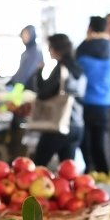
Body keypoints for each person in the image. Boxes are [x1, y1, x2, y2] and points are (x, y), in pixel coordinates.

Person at [29, 31, 84, 166]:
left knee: (37, 166)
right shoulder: (78, 69)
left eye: (50, 47)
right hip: (77, 125)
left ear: (56, 48)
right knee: (67, 170)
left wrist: (39, 72)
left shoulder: (61, 69)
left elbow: (43, 93)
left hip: (58, 125)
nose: (48, 50)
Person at [74, 15, 110, 172]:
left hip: (86, 102)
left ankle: (88, 175)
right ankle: (105, 175)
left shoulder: (84, 48)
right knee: (100, 144)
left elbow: (76, 75)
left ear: (90, 28)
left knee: (85, 143)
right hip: (104, 103)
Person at [10, 24, 42, 88]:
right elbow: (20, 71)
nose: (24, 37)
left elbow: (27, 74)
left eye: (27, 34)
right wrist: (11, 81)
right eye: (23, 34)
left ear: (33, 35)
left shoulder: (35, 52)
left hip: (28, 89)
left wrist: (14, 84)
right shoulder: (27, 52)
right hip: (22, 87)